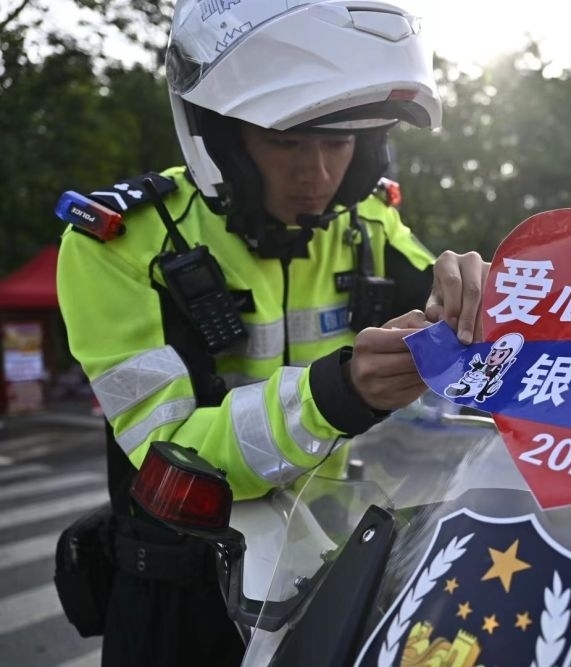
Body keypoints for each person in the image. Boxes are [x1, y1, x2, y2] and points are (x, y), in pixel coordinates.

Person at [54, 1, 487, 665]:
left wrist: (480, 290)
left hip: (330, 563)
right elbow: (169, 447)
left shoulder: (367, 220)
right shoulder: (116, 243)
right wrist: (339, 393)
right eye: (287, 143)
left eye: (339, 144)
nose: (318, 175)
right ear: (221, 137)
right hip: (181, 589)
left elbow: (444, 300)